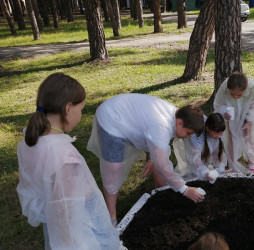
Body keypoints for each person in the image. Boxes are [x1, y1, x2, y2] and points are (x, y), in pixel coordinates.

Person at [16, 73, 120, 249]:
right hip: (77, 237)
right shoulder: (63, 157)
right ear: (68, 108)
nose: (80, 115)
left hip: (54, 226)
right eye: (80, 109)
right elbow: (67, 215)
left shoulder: (29, 141)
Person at [86, 93, 205, 226]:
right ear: (180, 123)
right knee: (114, 169)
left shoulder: (178, 116)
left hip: (127, 113)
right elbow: (162, 164)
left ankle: (160, 189)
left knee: (156, 155)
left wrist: (155, 159)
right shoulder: (161, 126)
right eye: (188, 133)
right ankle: (111, 216)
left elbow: (158, 150)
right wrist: (184, 189)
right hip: (112, 118)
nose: (188, 137)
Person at [213, 72, 254, 174]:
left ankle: (251, 165)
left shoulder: (252, 88)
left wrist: (249, 121)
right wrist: (224, 112)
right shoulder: (224, 88)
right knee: (230, 138)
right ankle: (233, 165)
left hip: (247, 113)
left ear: (245, 90)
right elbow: (218, 103)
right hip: (231, 114)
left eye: (239, 95)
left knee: (249, 137)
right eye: (232, 94)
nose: (236, 97)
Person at [174, 113, 227, 181]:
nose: (219, 136)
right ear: (207, 128)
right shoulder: (196, 137)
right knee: (192, 173)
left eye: (221, 133)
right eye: (216, 133)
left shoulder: (217, 133)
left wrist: (220, 168)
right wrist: (205, 172)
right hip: (192, 156)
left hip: (201, 152)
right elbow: (195, 158)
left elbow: (217, 153)